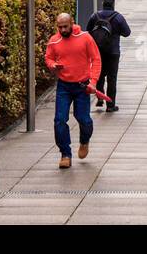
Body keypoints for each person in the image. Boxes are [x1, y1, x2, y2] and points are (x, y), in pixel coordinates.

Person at [43, 12, 102, 169]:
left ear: (72, 23)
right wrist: (52, 65)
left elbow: (96, 59)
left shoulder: (85, 38)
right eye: (59, 27)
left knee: (84, 119)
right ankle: (65, 154)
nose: (62, 30)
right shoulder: (54, 41)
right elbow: (48, 57)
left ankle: (84, 141)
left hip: (82, 86)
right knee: (59, 120)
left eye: (65, 26)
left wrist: (94, 82)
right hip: (64, 86)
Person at [86, 0, 131, 112]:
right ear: (113, 4)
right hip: (113, 52)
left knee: (99, 75)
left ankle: (100, 98)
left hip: (98, 51)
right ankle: (110, 105)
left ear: (103, 3)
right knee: (112, 78)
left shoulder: (94, 16)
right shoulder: (118, 17)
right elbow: (127, 33)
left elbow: (88, 31)